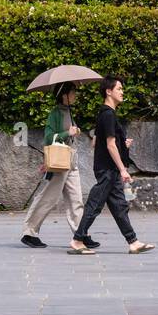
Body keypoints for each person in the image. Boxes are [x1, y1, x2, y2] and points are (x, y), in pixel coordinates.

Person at [69, 76, 154, 255]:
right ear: (109, 91)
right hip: (108, 168)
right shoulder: (108, 114)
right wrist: (123, 169)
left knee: (119, 205)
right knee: (95, 203)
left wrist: (123, 144)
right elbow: (109, 144)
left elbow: (95, 142)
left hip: (109, 168)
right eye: (119, 89)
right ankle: (77, 240)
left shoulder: (105, 114)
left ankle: (133, 241)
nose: (122, 92)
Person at [20, 83, 98, 250]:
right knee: (48, 198)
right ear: (64, 95)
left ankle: (81, 234)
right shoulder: (55, 114)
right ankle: (29, 232)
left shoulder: (69, 112)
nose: (75, 95)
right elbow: (48, 138)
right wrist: (67, 133)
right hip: (59, 163)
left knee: (76, 199)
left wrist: (73, 132)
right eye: (73, 92)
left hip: (71, 162)